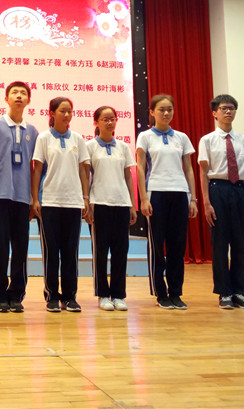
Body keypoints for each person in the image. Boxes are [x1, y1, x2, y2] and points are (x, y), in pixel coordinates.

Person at [136, 94, 199, 310]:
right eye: (161, 109)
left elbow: (188, 168)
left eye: (169, 109)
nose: (166, 113)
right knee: (156, 245)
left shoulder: (181, 137)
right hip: (156, 193)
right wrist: (144, 198)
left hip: (179, 193)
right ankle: (160, 293)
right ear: (152, 112)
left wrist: (193, 198)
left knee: (177, 246)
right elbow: (140, 167)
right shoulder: (145, 136)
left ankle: (176, 292)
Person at [0, 81, 39, 313]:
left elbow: (34, 167)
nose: (19, 96)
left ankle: (16, 294)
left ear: (28, 100)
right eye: (14, 92)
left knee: (20, 248)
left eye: (23, 93)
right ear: (6, 98)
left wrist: (34, 199)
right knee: (1, 248)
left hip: (23, 198)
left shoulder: (32, 131)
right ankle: (0, 295)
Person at [198, 94, 244, 310]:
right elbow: (203, 172)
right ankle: (224, 292)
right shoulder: (207, 140)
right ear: (214, 113)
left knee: (240, 244)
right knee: (220, 244)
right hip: (218, 190)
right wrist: (206, 203)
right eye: (223, 108)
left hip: (240, 191)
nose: (228, 112)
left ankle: (240, 292)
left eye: (232, 108)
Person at [31, 97, 89, 313]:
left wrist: (85, 198)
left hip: (73, 202)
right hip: (49, 202)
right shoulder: (43, 138)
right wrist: (35, 199)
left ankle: (70, 296)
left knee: (70, 251)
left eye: (69, 111)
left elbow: (83, 170)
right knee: (51, 251)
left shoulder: (78, 139)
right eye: (62, 111)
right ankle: (52, 296)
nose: (66, 115)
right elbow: (37, 169)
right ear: (52, 113)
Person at [84, 105, 137, 312]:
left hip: (121, 203)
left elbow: (127, 177)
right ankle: (103, 294)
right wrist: (87, 203)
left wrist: (132, 204)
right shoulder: (89, 146)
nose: (109, 122)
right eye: (105, 119)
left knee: (120, 251)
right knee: (100, 251)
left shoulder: (123, 147)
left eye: (112, 118)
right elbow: (86, 176)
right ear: (96, 122)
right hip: (99, 203)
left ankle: (119, 294)